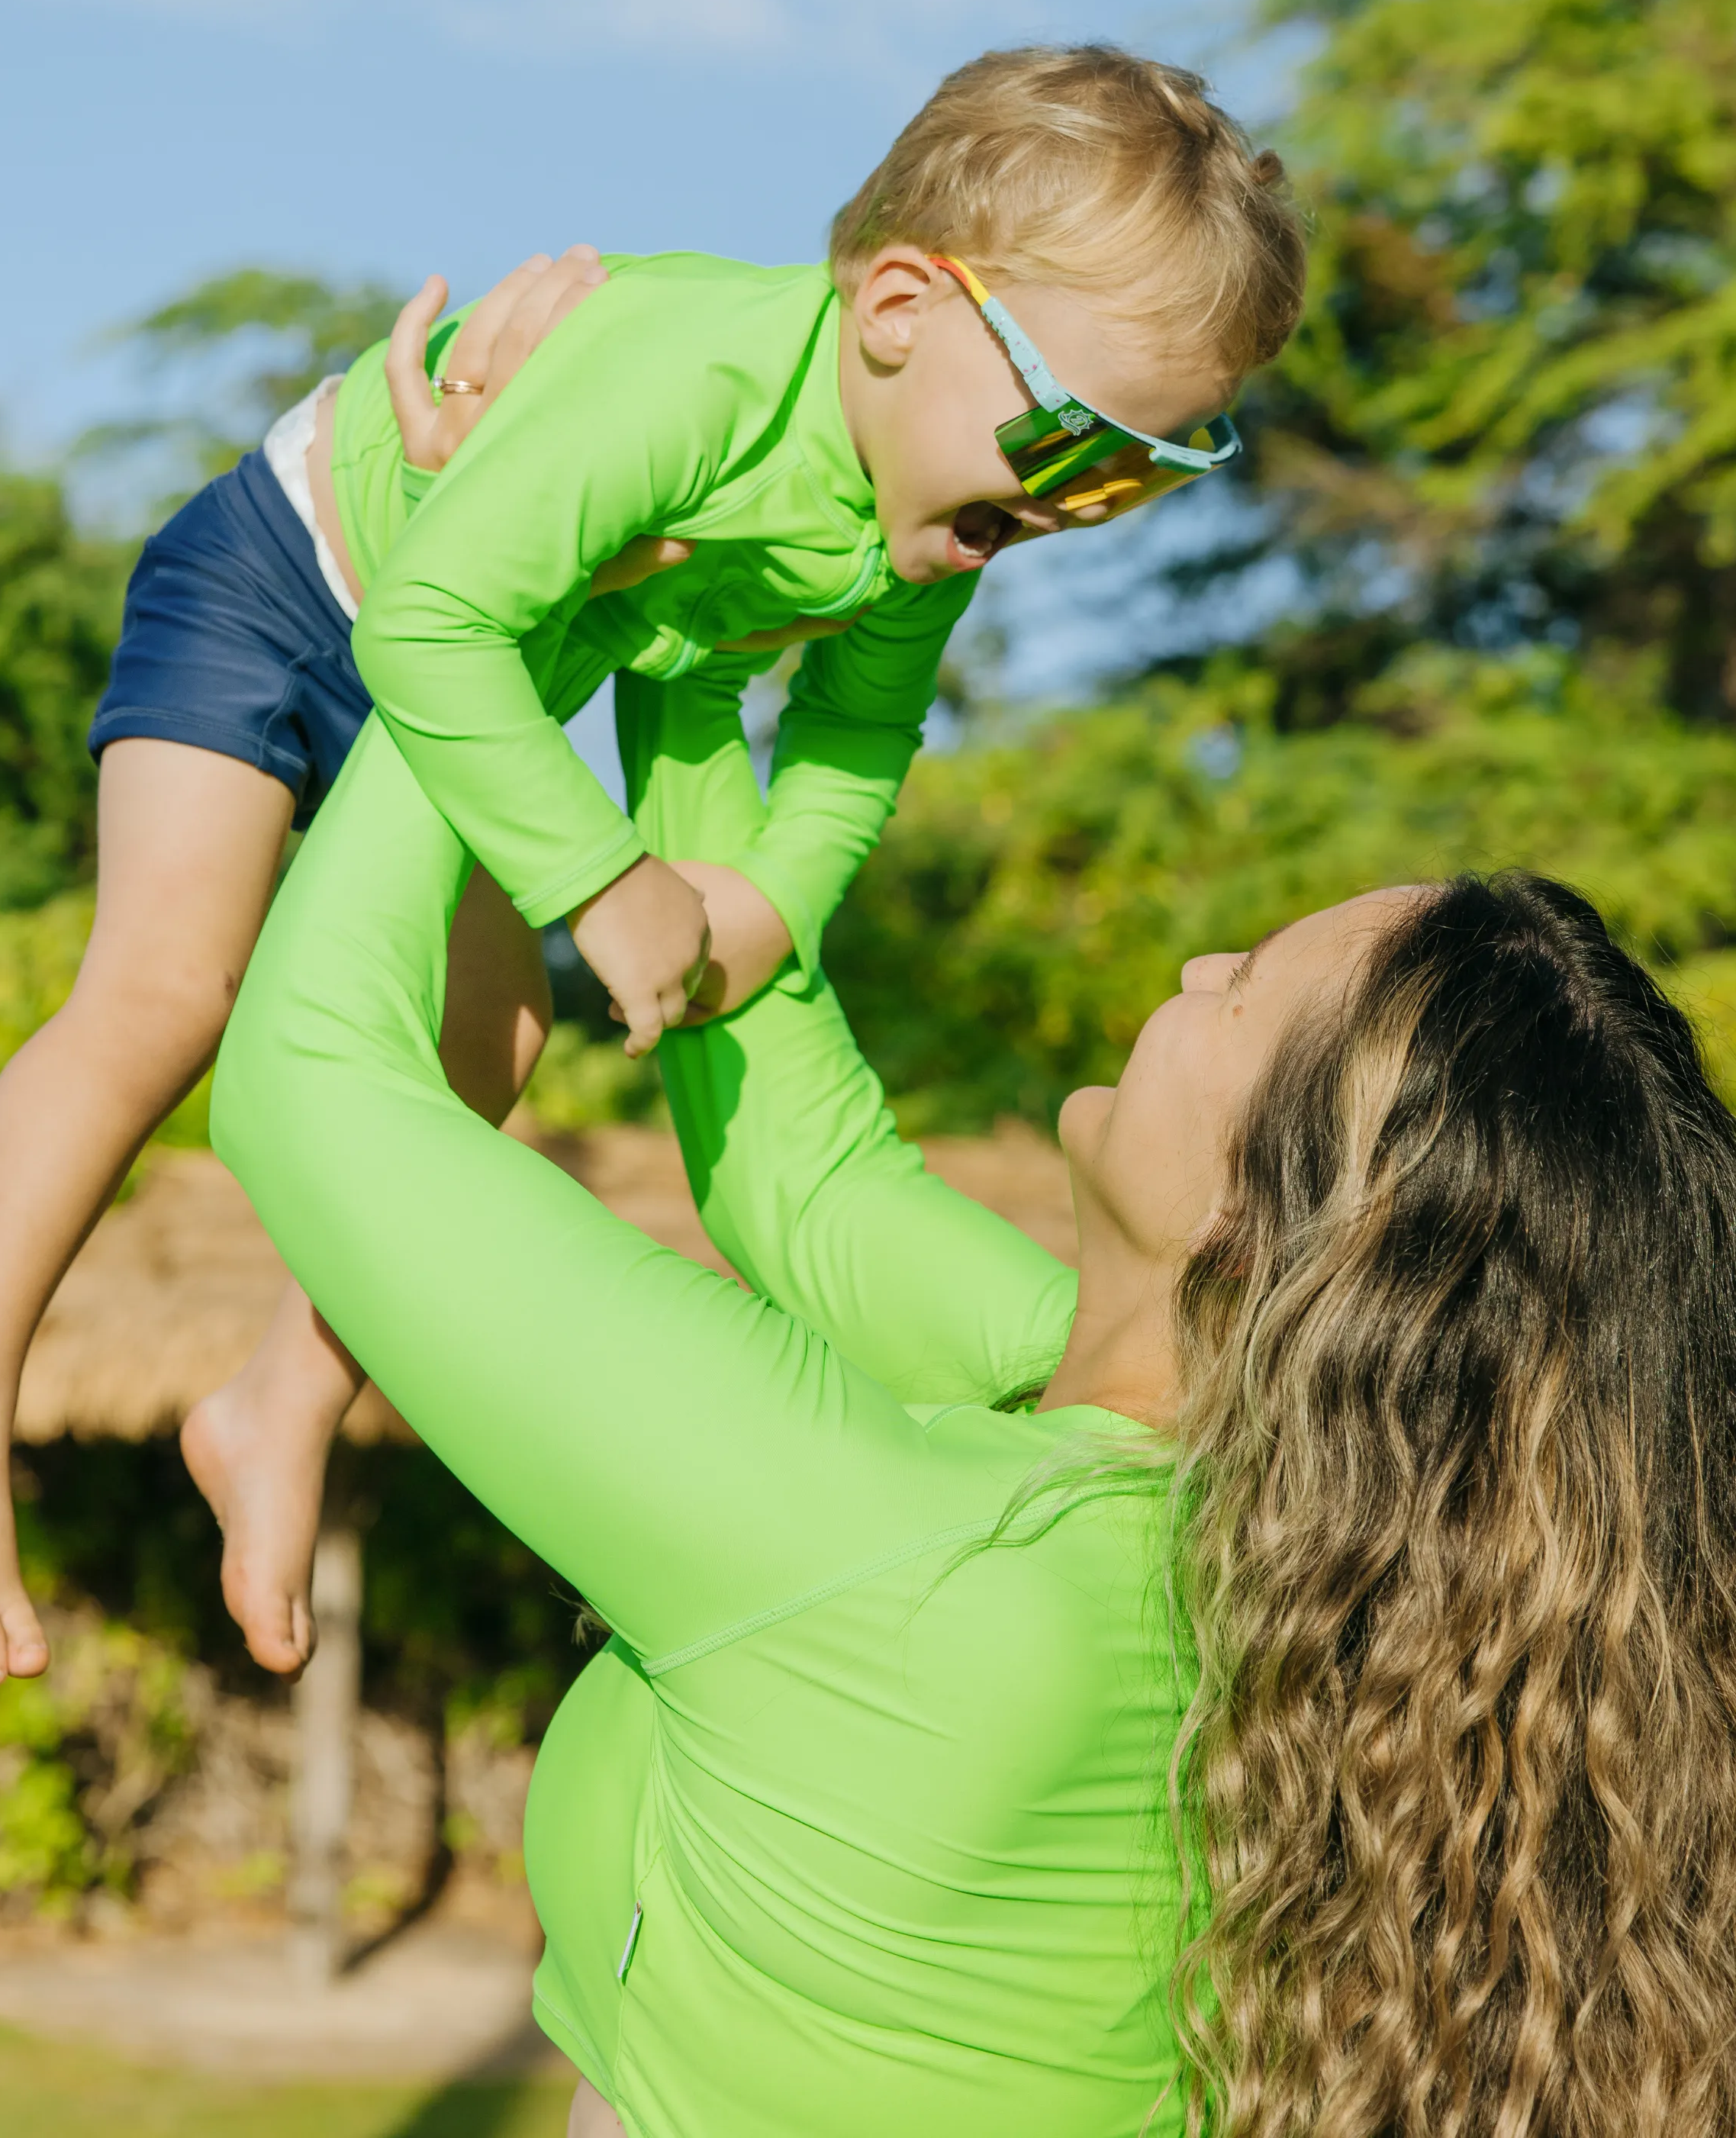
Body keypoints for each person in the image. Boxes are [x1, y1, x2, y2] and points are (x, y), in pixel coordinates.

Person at [0, 43, 1306, 1687]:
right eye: (1072, 446)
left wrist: (768, 906)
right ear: (902, 306)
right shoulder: (692, 388)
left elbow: (854, 739)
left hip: (491, 679)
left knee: (491, 1051)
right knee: (169, 989)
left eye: (1143, 472)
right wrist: (604, 881)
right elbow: (429, 616)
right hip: (302, 577)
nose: (1083, 508)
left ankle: (278, 1398)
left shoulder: (934, 522)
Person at [214, 683, 1736, 2130]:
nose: (1199, 972)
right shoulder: (1268, 1530)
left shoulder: (921, 1563)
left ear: (1262, 1227)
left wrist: (481, 605)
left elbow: (308, 1087)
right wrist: (686, 674)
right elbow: (807, 1177)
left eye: (1246, 993)